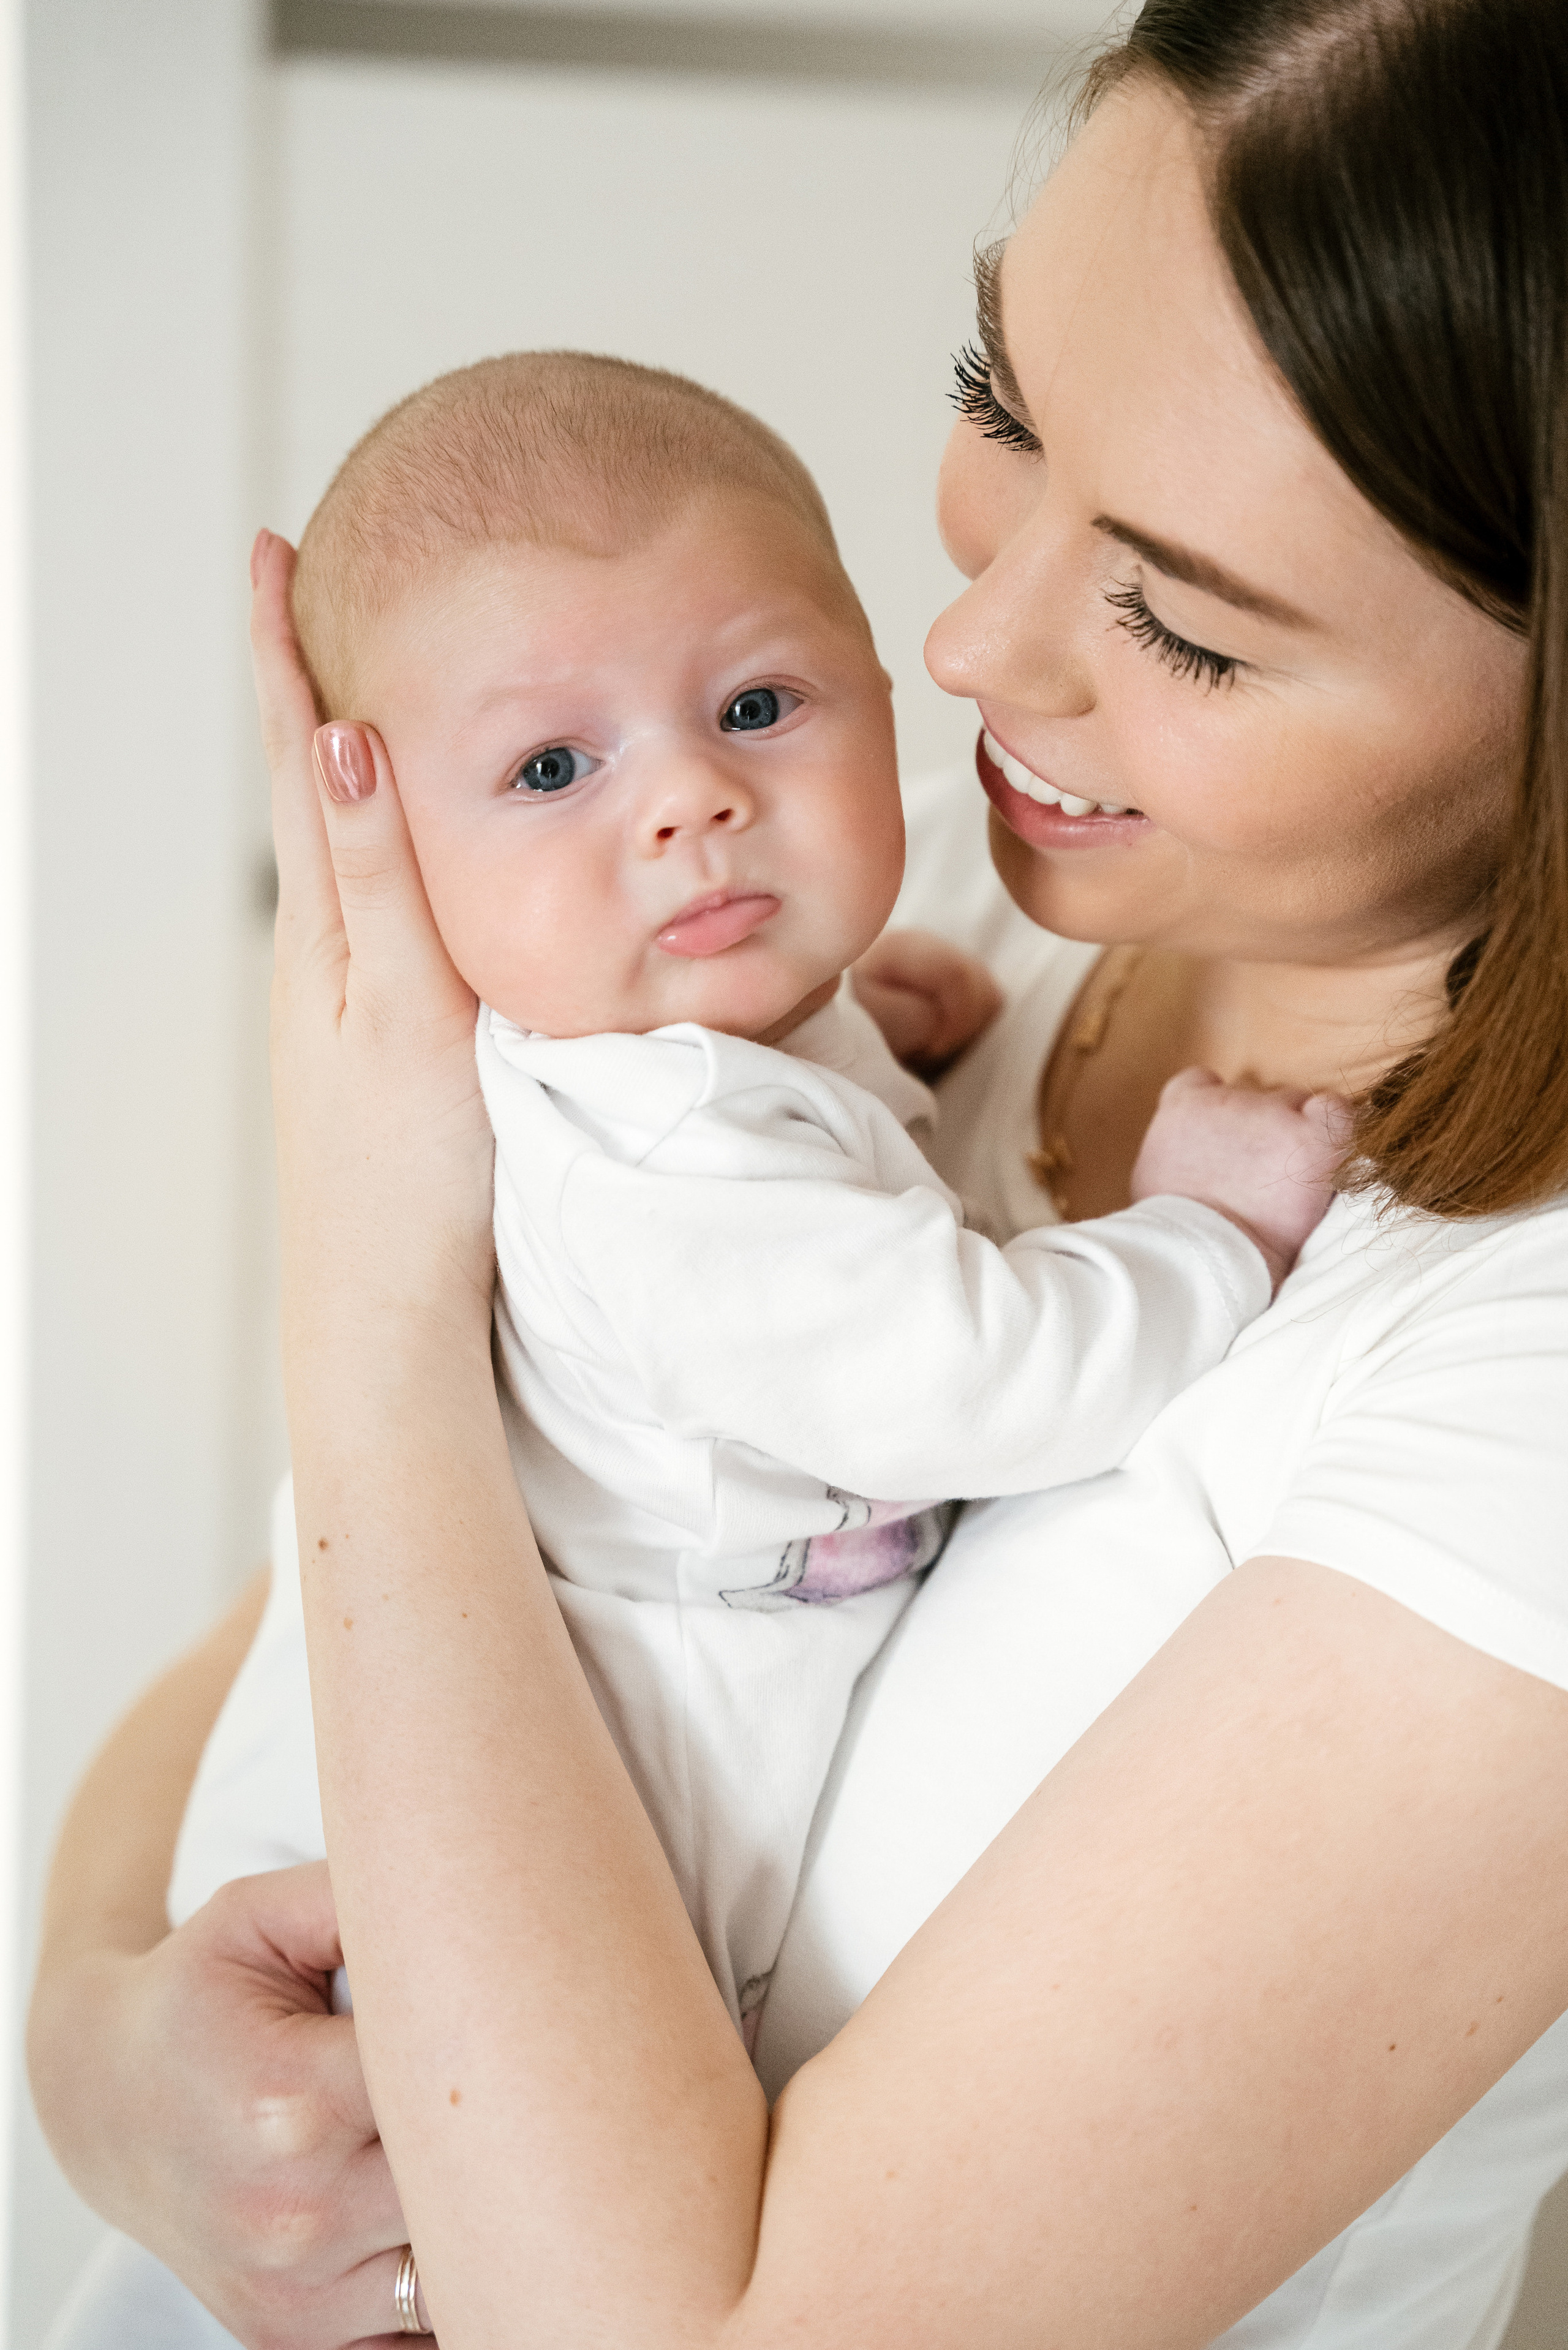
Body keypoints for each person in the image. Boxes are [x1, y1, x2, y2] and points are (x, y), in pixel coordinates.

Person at [26, 0, 1568, 2343]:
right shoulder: (940, 872)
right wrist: (102, 2054)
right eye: (1002, 403)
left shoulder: (1518, 1384)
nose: (962, 638)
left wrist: (366, 1287)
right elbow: (340, 1616)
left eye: (1178, 619)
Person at [170, 346, 1337, 2044]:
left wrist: (856, 1041)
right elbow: (966, 1375)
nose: (692, 801)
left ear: (874, 685)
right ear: (391, 858)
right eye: (552, 771)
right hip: (537, 1835)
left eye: (758, 708)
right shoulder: (661, 1165)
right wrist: (1208, 1235)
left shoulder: (690, 1052)